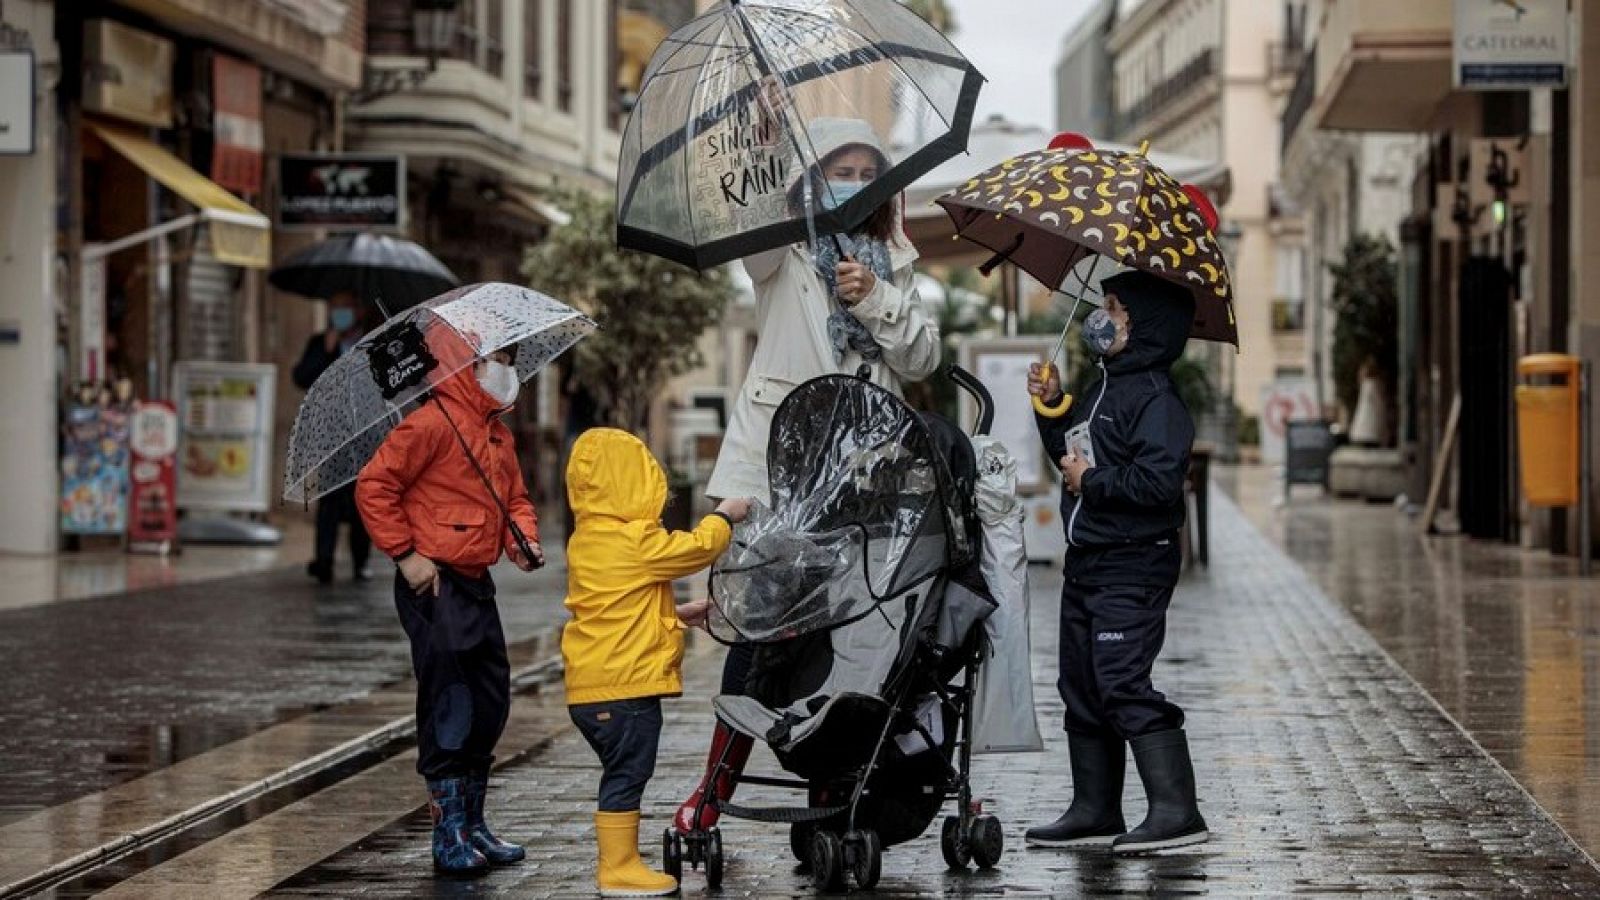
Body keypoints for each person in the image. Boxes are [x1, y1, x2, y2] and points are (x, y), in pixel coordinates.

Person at [674, 115, 942, 835]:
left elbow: (921, 360)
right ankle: (711, 794)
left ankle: (833, 801)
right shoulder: (783, 252)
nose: (853, 181)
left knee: (848, 642)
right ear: (810, 178)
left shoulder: (894, 261)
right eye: (838, 168)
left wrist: (874, 298)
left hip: (861, 484)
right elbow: (750, 217)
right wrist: (764, 136)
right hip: (776, 481)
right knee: (757, 632)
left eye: (865, 171)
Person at [1023, 270, 1209, 854]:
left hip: (1134, 562)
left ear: (1144, 327)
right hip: (1090, 559)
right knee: (1080, 682)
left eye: (1114, 308)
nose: (1100, 318)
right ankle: (1094, 807)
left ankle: (1178, 812)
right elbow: (1072, 459)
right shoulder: (1107, 385)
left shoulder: (1156, 399)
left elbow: (1157, 484)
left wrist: (1095, 479)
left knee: (1121, 680)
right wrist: (1052, 410)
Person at [356, 346, 544, 877]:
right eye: (495, 360)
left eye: (509, 360)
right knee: (450, 700)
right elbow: (375, 486)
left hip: (476, 582)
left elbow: (517, 500)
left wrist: (523, 541)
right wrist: (406, 555)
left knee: (490, 698)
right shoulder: (430, 423)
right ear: (466, 364)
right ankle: (449, 830)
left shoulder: (496, 432)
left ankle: (475, 821)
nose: (506, 371)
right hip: (433, 583)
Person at [562, 427, 750, 896]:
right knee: (627, 775)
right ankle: (618, 868)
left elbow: (622, 605)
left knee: (622, 774)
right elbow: (695, 550)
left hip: (595, 688)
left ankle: (620, 861)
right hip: (625, 692)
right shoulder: (633, 541)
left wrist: (679, 614)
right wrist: (725, 516)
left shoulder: (588, 539)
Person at [294, 290, 371, 583]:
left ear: (358, 311)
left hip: (365, 433)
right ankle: (323, 560)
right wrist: (327, 352)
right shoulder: (320, 342)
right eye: (333, 306)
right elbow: (301, 377)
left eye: (345, 307)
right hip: (330, 435)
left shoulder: (369, 344)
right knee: (328, 500)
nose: (338, 313)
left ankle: (360, 560)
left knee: (362, 500)